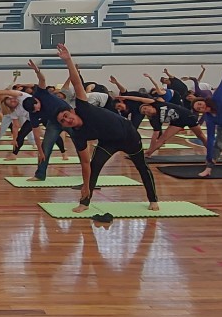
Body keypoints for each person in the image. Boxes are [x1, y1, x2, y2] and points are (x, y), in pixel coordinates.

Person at [54, 44, 159, 213]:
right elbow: (85, 163)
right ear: (64, 126)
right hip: (107, 142)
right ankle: (85, 202)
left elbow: (76, 82)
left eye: (67, 115)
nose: (67, 120)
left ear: (72, 111)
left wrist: (68, 61)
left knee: (142, 167)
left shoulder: (83, 107)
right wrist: (86, 186)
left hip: (129, 136)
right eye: (63, 121)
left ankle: (153, 199)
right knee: (94, 167)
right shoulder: (78, 135)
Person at [114, 95, 206, 156]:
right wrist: (150, 149)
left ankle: (211, 150)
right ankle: (148, 154)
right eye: (144, 112)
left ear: (150, 106)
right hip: (177, 123)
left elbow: (140, 99)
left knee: (200, 136)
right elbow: (155, 135)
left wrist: (125, 97)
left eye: (145, 108)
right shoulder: (155, 119)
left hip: (187, 116)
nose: (146, 111)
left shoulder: (157, 104)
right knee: (163, 139)